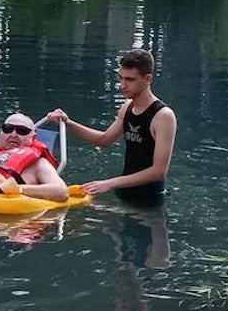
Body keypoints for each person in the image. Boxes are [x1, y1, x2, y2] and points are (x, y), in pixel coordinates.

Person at [47, 48, 176, 205]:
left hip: (150, 199)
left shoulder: (163, 116)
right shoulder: (127, 107)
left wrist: (109, 183)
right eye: (120, 78)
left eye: (130, 79)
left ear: (147, 79)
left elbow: (158, 172)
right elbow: (104, 140)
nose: (122, 85)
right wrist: (67, 123)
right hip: (124, 192)